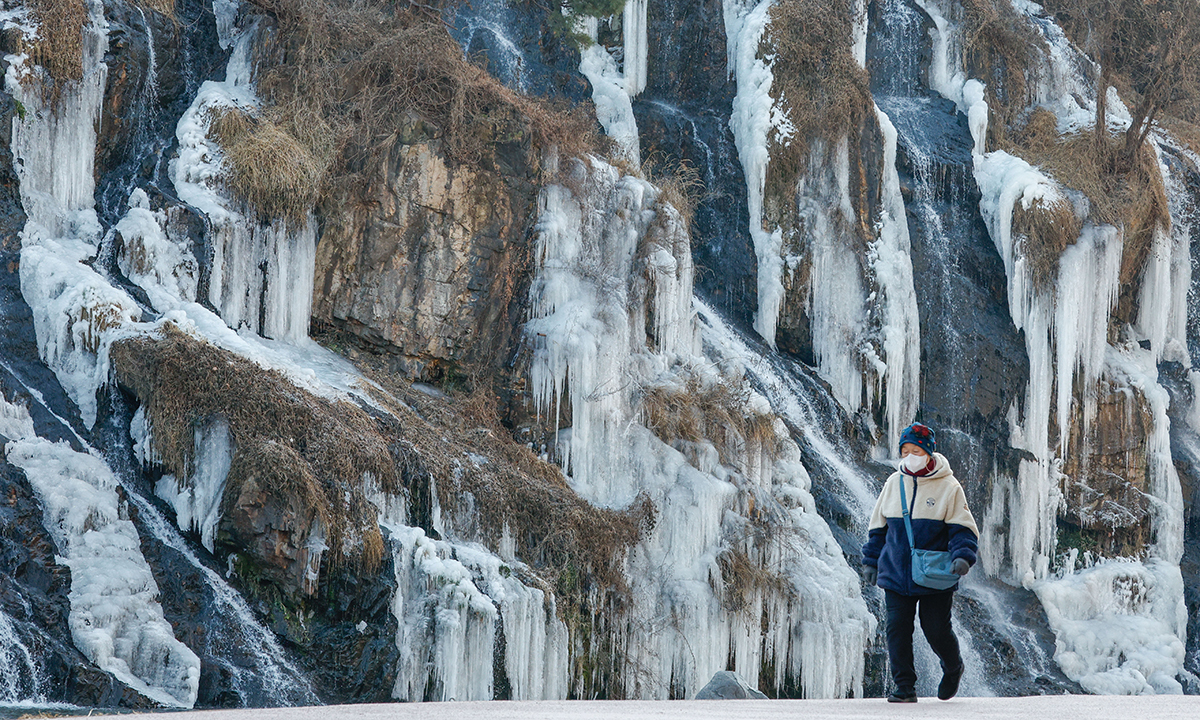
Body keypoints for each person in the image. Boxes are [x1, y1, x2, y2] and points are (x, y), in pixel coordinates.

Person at [861, 422, 979, 703]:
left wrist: (963, 557)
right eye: (905, 450)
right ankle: (904, 688)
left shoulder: (949, 487)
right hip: (895, 572)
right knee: (897, 630)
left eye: (916, 450)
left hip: (934, 574)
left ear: (928, 452)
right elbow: (878, 529)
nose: (910, 455)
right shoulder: (893, 483)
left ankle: (953, 667)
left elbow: (962, 529)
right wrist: (871, 561)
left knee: (936, 629)